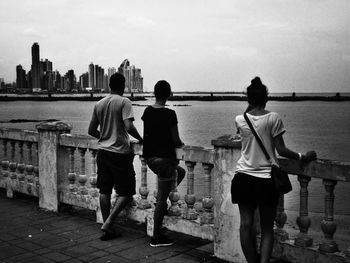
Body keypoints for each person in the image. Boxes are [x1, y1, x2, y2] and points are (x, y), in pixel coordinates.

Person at [231, 77, 317, 263]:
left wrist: (250, 106)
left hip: (243, 178)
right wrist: (303, 157)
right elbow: (282, 150)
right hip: (265, 180)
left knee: (245, 225)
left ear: (248, 99)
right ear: (266, 98)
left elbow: (247, 120)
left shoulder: (240, 119)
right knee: (267, 227)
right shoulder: (273, 118)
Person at [88, 73, 143, 241]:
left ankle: (107, 227)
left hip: (103, 153)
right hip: (119, 153)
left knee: (104, 190)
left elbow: (91, 130)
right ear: (123, 86)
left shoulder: (99, 103)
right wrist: (141, 139)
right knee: (127, 192)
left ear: (109, 85)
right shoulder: (124, 101)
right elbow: (129, 126)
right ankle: (109, 222)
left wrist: (105, 137)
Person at [141, 80, 186, 247]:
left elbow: (148, 134)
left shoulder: (147, 111)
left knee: (180, 172)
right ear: (169, 94)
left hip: (151, 159)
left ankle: (162, 202)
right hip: (164, 161)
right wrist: (181, 148)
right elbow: (175, 139)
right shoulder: (170, 114)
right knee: (161, 199)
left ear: (154, 93)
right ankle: (156, 237)